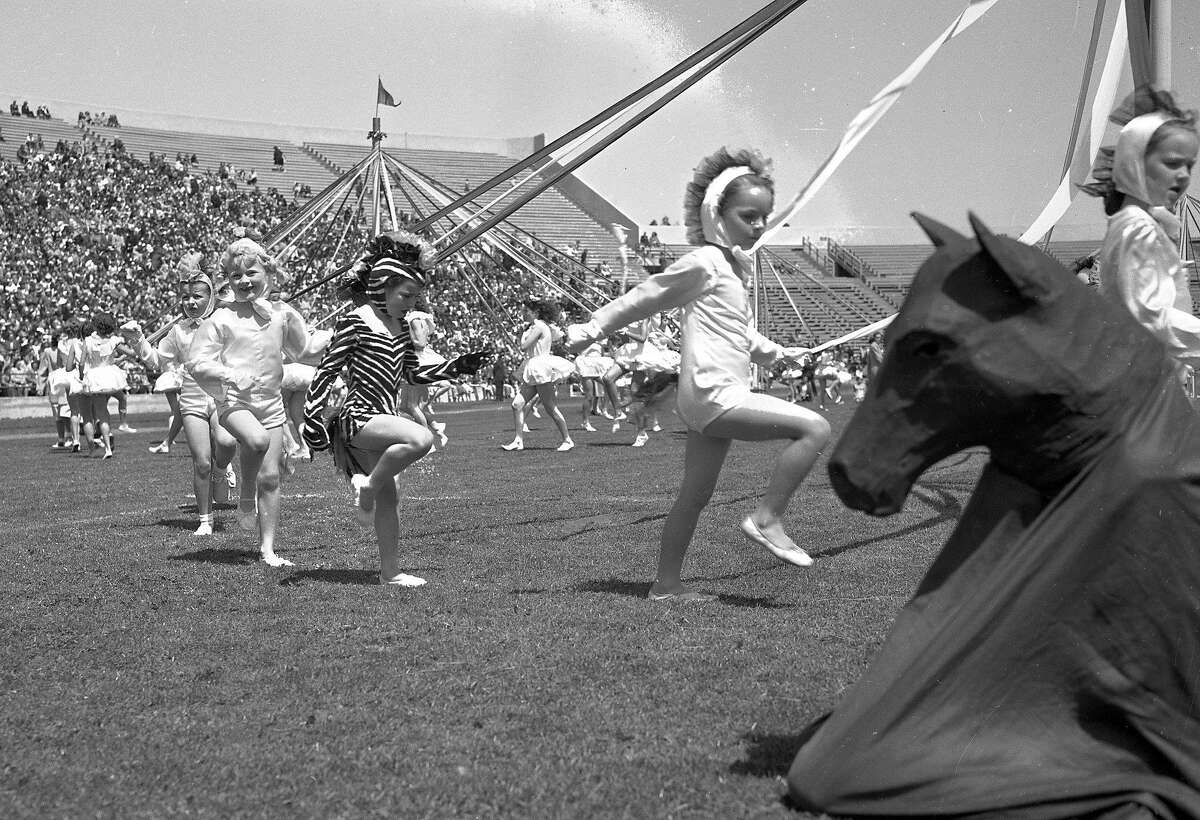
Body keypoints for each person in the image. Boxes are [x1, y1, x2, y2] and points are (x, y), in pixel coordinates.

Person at [567, 147, 829, 601]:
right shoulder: (704, 262)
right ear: (717, 214)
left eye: (765, 217)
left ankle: (665, 586)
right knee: (814, 428)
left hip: (714, 395)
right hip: (714, 394)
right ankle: (767, 518)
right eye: (750, 216)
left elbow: (737, 331)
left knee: (694, 496)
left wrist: (776, 353)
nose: (760, 226)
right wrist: (592, 328)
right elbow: (646, 295)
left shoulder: (730, 267)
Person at [301, 232, 488, 586]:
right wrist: (312, 419)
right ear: (381, 288)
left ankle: (390, 572)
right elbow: (326, 371)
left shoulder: (400, 326)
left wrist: (456, 367)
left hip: (384, 418)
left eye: (417, 296)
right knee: (421, 439)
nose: (412, 303)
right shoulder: (355, 321)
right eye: (406, 295)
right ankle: (367, 487)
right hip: (359, 418)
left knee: (392, 499)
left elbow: (413, 372)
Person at [188, 238, 324, 566]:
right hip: (233, 402)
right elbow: (196, 363)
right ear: (228, 280)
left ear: (267, 273)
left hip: (272, 404)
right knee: (257, 440)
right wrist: (231, 376)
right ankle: (245, 492)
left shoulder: (282, 314)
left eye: (252, 273)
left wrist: (334, 337)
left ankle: (268, 549)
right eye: (236, 276)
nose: (245, 281)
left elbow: (302, 350)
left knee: (273, 477)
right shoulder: (220, 319)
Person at [1082, 87, 1200, 378]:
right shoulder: (1136, 228)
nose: (1184, 175)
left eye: (1189, 165)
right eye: (1172, 163)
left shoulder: (1137, 223)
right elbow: (1148, 314)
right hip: (1139, 392)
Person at [130, 253, 239, 536]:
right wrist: (139, 340)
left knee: (226, 441)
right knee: (200, 460)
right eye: (186, 297)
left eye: (198, 296)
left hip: (221, 395)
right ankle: (205, 520)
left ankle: (221, 469)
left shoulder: (223, 321)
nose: (191, 302)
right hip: (191, 398)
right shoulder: (178, 331)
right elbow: (156, 361)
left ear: (211, 296)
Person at [502, 299, 576, 452]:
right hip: (534, 367)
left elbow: (523, 346)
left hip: (540, 367)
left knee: (550, 407)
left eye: (525, 311)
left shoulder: (539, 327)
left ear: (535, 313)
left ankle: (567, 440)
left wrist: (519, 333)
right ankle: (518, 440)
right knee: (516, 404)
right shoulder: (535, 327)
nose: (523, 314)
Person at [79, 311, 135, 459]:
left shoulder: (88, 341)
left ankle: (107, 446)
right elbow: (131, 353)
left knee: (101, 413)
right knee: (104, 413)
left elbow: (82, 362)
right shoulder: (113, 341)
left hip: (95, 377)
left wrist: (80, 376)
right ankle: (108, 445)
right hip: (110, 376)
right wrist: (134, 342)